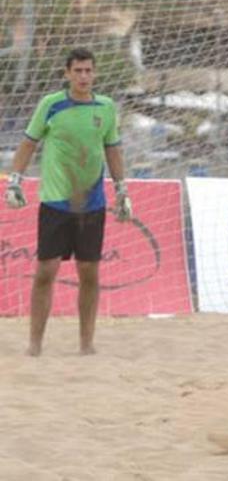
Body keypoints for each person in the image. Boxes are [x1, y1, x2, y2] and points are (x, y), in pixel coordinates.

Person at [3, 48, 132, 357]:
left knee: (89, 272)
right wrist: (15, 180)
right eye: (78, 71)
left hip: (92, 204)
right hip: (56, 202)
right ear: (67, 74)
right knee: (45, 271)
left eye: (89, 70)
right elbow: (28, 144)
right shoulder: (51, 104)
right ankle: (35, 344)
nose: (84, 76)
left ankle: (86, 344)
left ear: (95, 73)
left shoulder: (106, 107)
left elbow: (112, 149)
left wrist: (122, 189)